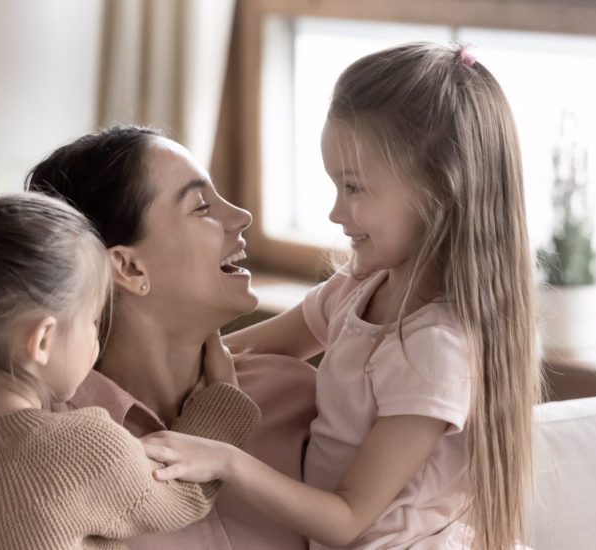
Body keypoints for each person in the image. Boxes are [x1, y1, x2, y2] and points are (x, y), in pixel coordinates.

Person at [141, 42, 543, 550]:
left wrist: (224, 459)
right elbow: (243, 351)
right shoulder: (356, 289)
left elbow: (346, 517)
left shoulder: (435, 350)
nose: (335, 212)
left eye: (354, 188)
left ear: (441, 193)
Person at [0, 177, 260, 549]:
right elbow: (181, 494)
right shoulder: (82, 449)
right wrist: (222, 403)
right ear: (42, 340)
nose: (97, 338)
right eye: (93, 320)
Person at [26, 126, 317, 549]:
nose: (241, 216)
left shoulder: (298, 398)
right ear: (130, 269)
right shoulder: (48, 452)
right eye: (202, 206)